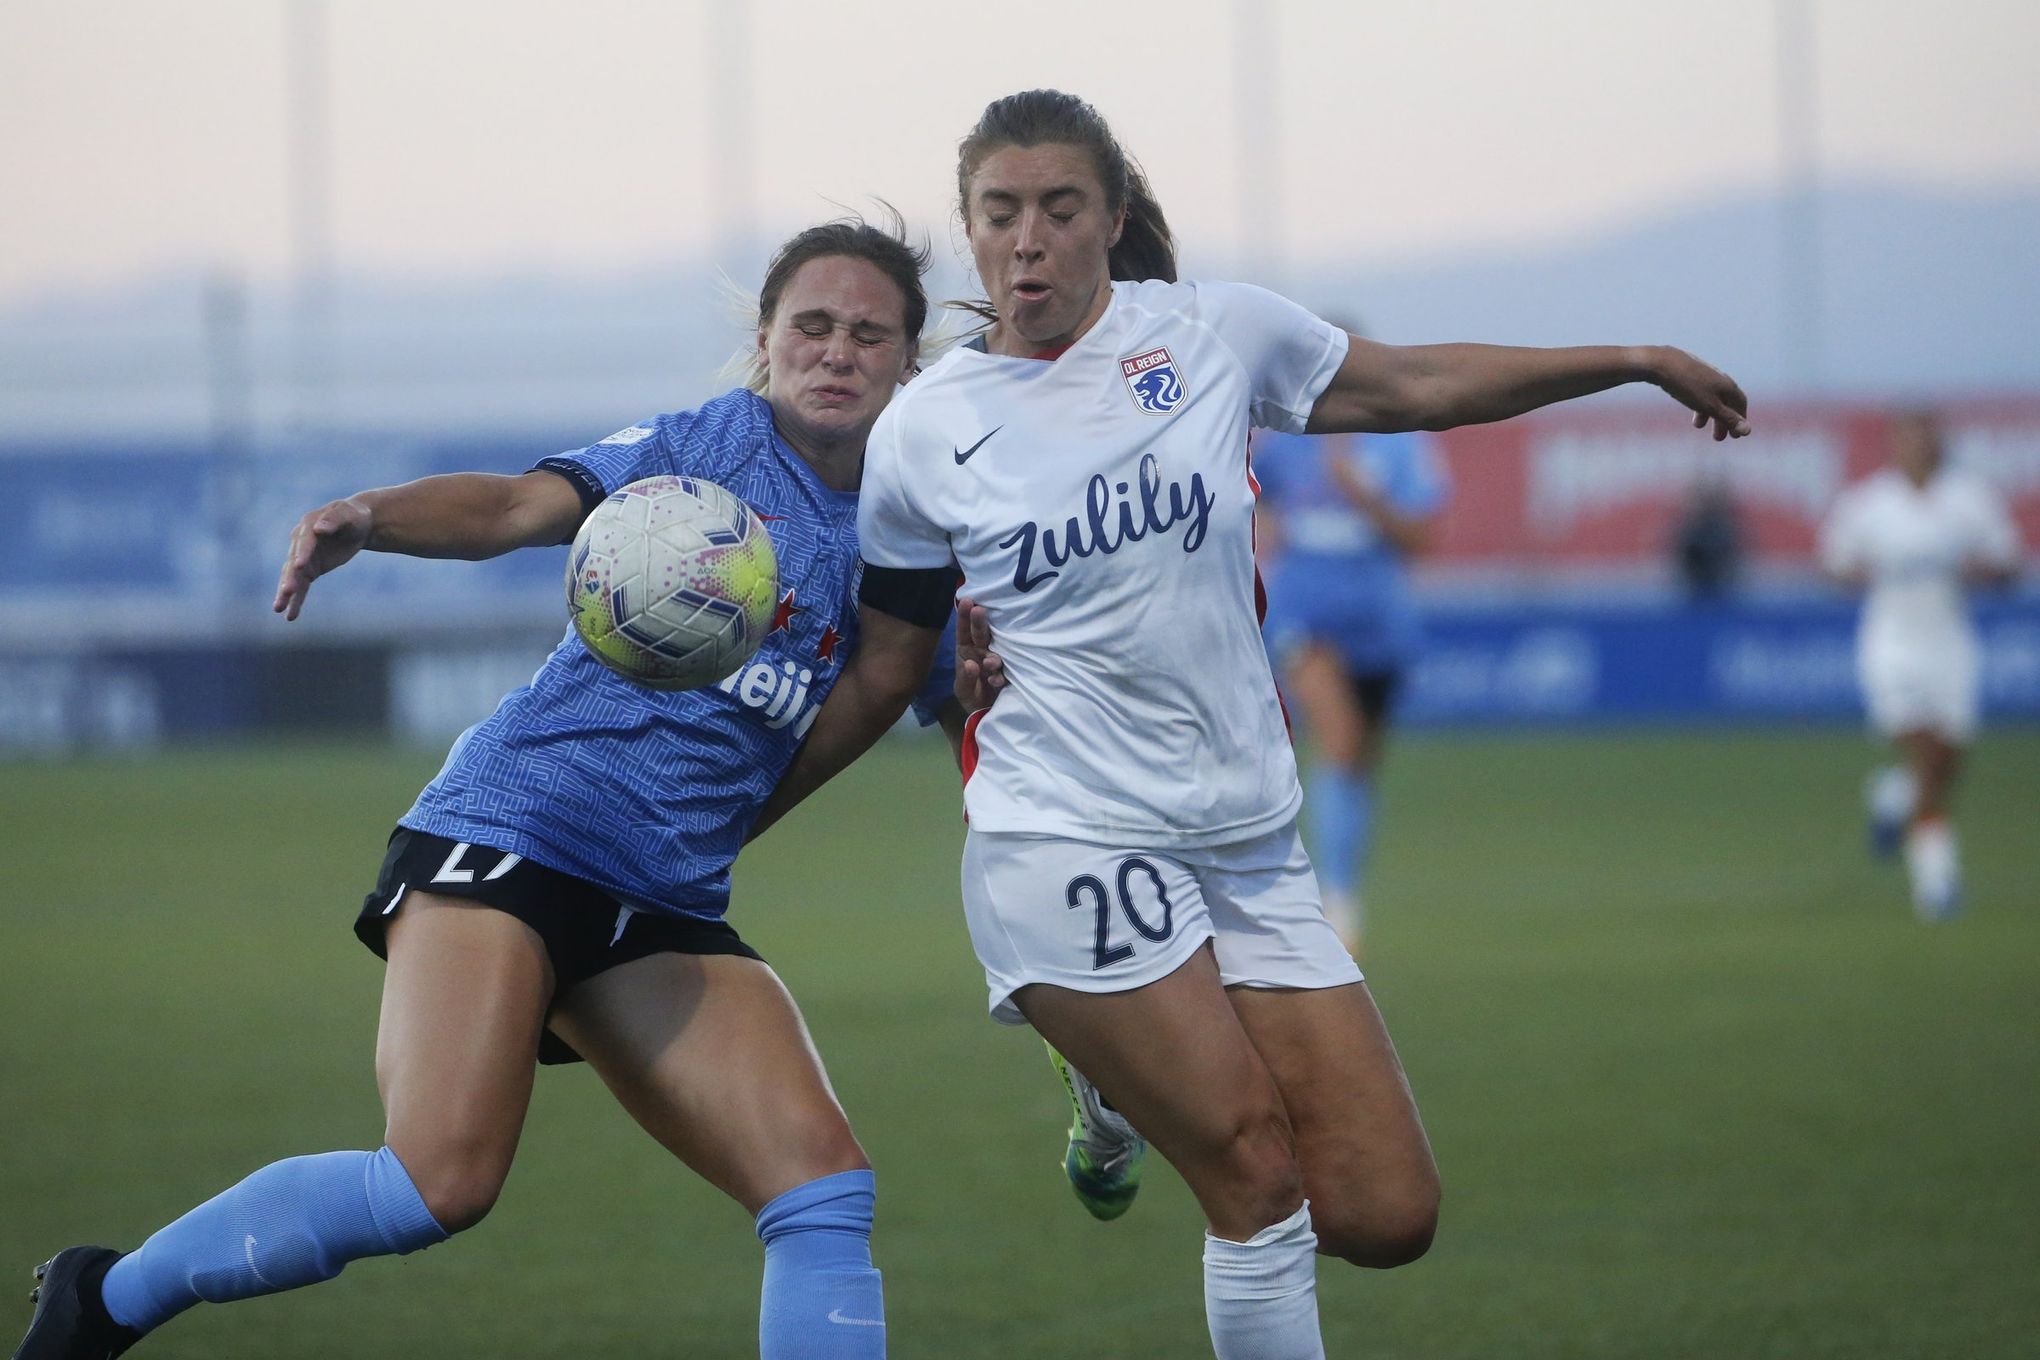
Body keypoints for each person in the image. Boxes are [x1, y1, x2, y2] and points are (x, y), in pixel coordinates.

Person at [750, 89, 1751, 1360]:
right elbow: (889, 660)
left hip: (1245, 842)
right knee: (1258, 1184)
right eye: (1000, 214)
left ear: (1113, 217)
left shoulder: (1214, 333)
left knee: (1388, 1212)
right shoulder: (928, 430)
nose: (1030, 240)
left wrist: (1632, 359)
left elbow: (1419, 386)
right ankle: (1124, 1055)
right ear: (971, 228)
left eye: (1061, 208)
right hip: (1063, 838)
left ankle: (1114, 1079)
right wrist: (744, 811)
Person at [14, 213, 948, 1360]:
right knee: (438, 1182)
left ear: (913, 360)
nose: (837, 351)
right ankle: (102, 1300)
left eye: (869, 332)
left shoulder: (911, 527)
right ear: (764, 341)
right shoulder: (710, 447)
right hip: (512, 839)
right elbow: (516, 506)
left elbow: (936, 688)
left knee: (822, 1189)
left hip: (659, 899)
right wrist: (371, 517)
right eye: (812, 325)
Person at [1252, 373, 1450, 950]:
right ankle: (1334, 901)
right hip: (1305, 619)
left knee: (1359, 760)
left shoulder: (1401, 444)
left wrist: (1362, 493)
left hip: (1381, 624)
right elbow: (1259, 510)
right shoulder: (1286, 443)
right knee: (1337, 741)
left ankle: (1343, 881)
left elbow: (1419, 539)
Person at [1818, 410, 2022, 920]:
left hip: (1950, 646)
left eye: (1926, 436)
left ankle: (1893, 795)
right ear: (1895, 444)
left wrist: (1984, 571)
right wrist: (1855, 574)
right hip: (1892, 646)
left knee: (1946, 763)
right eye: (1907, 437)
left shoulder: (1968, 499)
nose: (1918, 446)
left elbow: (2008, 564)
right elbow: (1836, 564)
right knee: (1928, 756)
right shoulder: (1871, 504)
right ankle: (1938, 887)